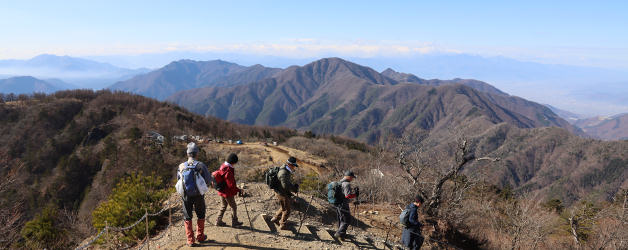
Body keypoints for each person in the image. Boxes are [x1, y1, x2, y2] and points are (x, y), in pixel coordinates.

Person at [177, 142, 212, 247]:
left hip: (186, 195)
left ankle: (190, 240)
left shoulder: (181, 166)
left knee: (187, 216)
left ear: (188, 154)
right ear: (196, 154)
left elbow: (179, 180)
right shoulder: (201, 165)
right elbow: (207, 179)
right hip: (198, 194)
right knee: (201, 214)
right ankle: (200, 236)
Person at [214, 153, 244, 227]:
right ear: (233, 162)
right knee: (233, 207)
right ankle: (235, 222)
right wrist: (239, 190)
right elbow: (231, 185)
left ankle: (218, 221)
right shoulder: (228, 170)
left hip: (221, 190)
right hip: (227, 192)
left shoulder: (223, 166)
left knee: (223, 206)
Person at [270, 156, 300, 230]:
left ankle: (275, 218)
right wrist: (294, 189)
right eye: (293, 165)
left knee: (284, 206)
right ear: (289, 164)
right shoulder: (283, 173)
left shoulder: (286, 170)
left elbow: (286, 184)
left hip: (280, 191)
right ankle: (282, 225)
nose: (294, 167)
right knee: (287, 210)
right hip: (281, 192)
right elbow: (285, 186)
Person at [334, 170, 359, 240]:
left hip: (338, 204)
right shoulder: (346, 184)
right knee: (347, 220)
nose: (352, 179)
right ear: (349, 177)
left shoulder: (339, 182)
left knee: (341, 219)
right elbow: (347, 196)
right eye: (352, 177)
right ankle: (339, 233)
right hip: (343, 204)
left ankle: (342, 235)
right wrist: (355, 194)